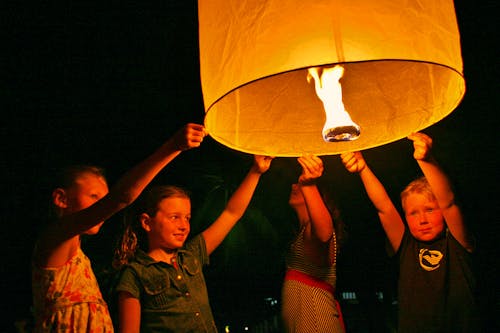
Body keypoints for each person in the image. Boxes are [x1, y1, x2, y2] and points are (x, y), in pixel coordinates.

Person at [31, 123, 207, 332]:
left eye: (103, 199)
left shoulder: (79, 259)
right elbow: (121, 197)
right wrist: (173, 147)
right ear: (61, 198)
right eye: (94, 197)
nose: (102, 207)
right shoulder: (53, 238)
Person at [112, 155, 274, 333]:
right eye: (174, 217)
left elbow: (231, 213)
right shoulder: (135, 274)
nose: (183, 226)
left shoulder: (191, 255)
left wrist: (256, 172)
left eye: (187, 218)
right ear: (146, 222)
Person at [341, 132, 480, 332]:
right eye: (413, 213)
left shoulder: (457, 242)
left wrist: (426, 160)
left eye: (430, 209)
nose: (422, 220)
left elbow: (449, 202)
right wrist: (362, 168)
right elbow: (384, 207)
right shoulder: (406, 244)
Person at [281, 154, 345, 333]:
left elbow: (324, 233)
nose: (294, 185)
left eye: (299, 183)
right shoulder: (302, 234)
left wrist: (308, 185)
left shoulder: (313, 231)